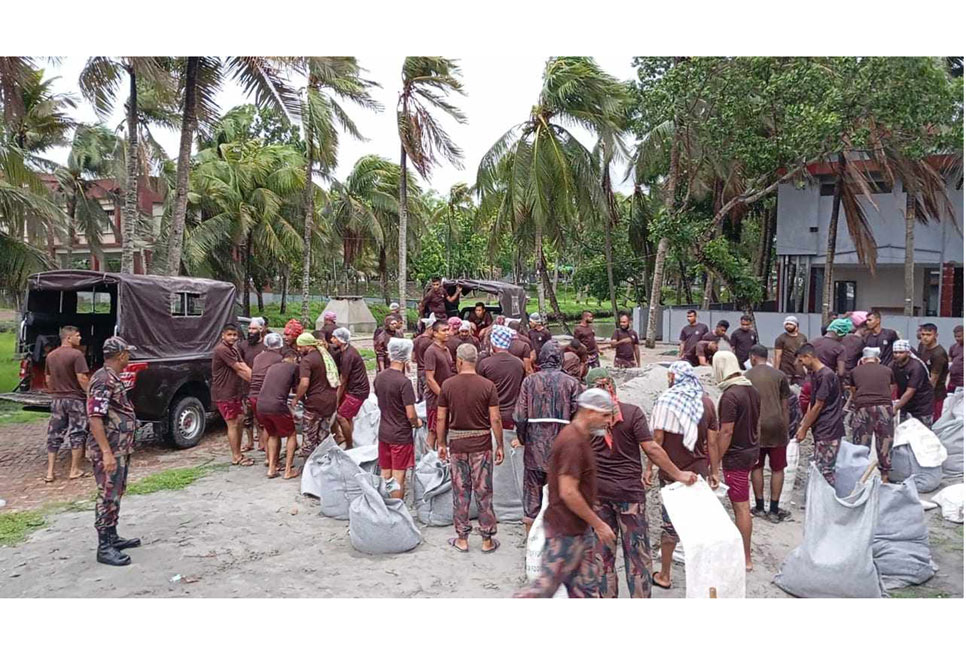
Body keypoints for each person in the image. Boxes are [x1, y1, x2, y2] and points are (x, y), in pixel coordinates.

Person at [586, 368, 697, 598]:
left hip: (598, 496)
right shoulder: (631, 413)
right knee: (637, 554)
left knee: (603, 555)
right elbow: (652, 449)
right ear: (613, 387)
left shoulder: (586, 420)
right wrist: (678, 474)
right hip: (630, 497)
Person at [514, 389, 616, 598]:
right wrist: (599, 524)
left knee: (585, 589)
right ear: (589, 411)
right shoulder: (572, 442)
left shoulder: (580, 438)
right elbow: (568, 492)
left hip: (578, 530)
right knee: (543, 589)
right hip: (564, 531)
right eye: (604, 415)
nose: (609, 420)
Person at [648, 362, 719, 590]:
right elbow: (713, 442)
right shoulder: (707, 403)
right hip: (698, 472)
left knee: (670, 525)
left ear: (675, 377)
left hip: (671, 473)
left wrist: (649, 467)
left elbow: (657, 440)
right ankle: (703, 577)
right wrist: (715, 471)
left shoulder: (666, 401)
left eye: (670, 376)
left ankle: (665, 575)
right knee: (699, 525)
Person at [437, 344, 504, 553]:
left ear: (458, 360)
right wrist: (499, 443)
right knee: (484, 491)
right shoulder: (487, 385)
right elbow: (495, 418)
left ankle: (462, 538)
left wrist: (441, 443)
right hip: (482, 444)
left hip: (457, 443)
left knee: (460, 491)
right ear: (476, 361)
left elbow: (441, 417)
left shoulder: (447, 385)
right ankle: (487, 539)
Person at [513, 342, 582, 536]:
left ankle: (531, 543)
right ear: (560, 359)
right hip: (563, 451)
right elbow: (579, 416)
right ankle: (559, 540)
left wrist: (524, 438)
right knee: (563, 494)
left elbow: (519, 415)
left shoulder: (529, 382)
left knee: (532, 496)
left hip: (534, 449)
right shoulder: (571, 383)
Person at [86, 337, 141, 566]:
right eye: (127, 353)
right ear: (120, 355)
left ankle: (112, 536)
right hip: (109, 449)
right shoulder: (103, 379)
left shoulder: (111, 377)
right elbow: (95, 417)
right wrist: (106, 452)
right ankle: (104, 547)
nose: (129, 356)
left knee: (116, 492)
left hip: (120, 447)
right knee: (107, 495)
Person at [712, 350, 760, 571]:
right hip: (751, 450)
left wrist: (715, 462)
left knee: (741, 508)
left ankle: (745, 558)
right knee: (742, 505)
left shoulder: (730, 396)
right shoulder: (751, 390)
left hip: (737, 457)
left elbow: (726, 432)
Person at [745, 345, 791, 523]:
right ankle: (773, 508)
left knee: (756, 467)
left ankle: (759, 506)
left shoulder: (747, 376)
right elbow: (785, 406)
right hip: (777, 425)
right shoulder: (780, 376)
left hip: (756, 427)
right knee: (777, 468)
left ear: (753, 357)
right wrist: (785, 429)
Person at [374, 338, 422, 499]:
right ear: (406, 356)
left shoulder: (380, 377)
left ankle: (382, 505)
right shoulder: (404, 383)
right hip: (400, 434)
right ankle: (396, 510)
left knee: (385, 472)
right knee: (398, 475)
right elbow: (410, 414)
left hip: (384, 432)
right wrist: (417, 422)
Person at [794, 343, 846, 486]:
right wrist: (804, 423)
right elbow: (813, 402)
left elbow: (818, 405)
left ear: (808, 357)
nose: (801, 364)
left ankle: (829, 502)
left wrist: (804, 429)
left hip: (829, 428)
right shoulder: (817, 375)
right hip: (822, 428)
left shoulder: (826, 375)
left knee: (826, 470)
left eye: (801, 360)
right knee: (820, 467)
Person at [44, 325, 90, 483]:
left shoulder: (51, 356)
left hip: (57, 400)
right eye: (77, 335)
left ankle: (50, 472)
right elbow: (82, 378)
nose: (80, 338)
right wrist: (90, 394)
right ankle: (74, 469)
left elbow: (48, 379)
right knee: (77, 433)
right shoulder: (77, 355)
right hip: (75, 399)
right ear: (68, 338)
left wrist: (54, 392)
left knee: (54, 435)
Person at [849, 347, 896, 479]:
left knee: (861, 443)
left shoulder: (855, 371)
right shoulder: (887, 370)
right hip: (884, 408)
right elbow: (891, 387)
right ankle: (885, 477)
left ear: (863, 360)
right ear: (877, 359)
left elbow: (854, 391)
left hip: (863, 408)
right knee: (885, 441)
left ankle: (860, 477)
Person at [291, 332, 340, 457]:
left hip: (315, 403)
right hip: (330, 401)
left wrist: (296, 398)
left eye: (300, 347)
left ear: (307, 346)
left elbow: (304, 383)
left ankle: (308, 466)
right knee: (323, 435)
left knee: (309, 436)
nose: (298, 349)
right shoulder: (325, 356)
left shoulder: (307, 361)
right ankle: (323, 462)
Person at [211, 323, 254, 466]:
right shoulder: (222, 349)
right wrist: (258, 382)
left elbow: (244, 365)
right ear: (223, 335)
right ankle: (236, 456)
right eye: (229, 335)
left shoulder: (234, 349)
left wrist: (255, 378)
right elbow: (240, 368)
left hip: (235, 392)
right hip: (224, 393)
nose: (232, 337)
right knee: (233, 423)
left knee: (240, 419)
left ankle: (239, 452)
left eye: (234, 335)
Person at [257, 350, 300, 479]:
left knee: (273, 434)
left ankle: (271, 468)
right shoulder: (294, 367)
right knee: (291, 434)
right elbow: (297, 388)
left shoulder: (273, 367)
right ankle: (288, 470)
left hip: (261, 404)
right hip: (277, 405)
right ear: (295, 358)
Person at [477, 325, 526, 435]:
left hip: (490, 415)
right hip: (512, 415)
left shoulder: (485, 364)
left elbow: (479, 392)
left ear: (493, 342)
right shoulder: (519, 363)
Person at [330, 327, 369, 450]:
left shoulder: (348, 356)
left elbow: (343, 380)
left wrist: (337, 399)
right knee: (347, 417)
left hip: (357, 391)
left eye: (334, 337)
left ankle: (349, 444)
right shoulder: (345, 351)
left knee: (341, 416)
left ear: (341, 340)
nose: (332, 339)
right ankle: (349, 438)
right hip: (355, 389)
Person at [248, 332, 286, 460]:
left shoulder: (258, 357)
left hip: (253, 396)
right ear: (280, 346)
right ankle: (273, 460)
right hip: (267, 397)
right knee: (274, 431)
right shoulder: (278, 359)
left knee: (266, 427)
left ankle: (268, 458)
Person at [238, 317, 267, 452]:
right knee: (247, 417)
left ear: (261, 329)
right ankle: (250, 442)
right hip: (245, 387)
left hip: (262, 387)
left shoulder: (266, 346)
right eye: (249, 328)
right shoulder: (243, 345)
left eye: (254, 329)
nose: (251, 331)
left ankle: (262, 441)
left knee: (260, 417)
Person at [423, 320, 455, 442]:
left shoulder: (446, 350)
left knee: (444, 430)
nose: (447, 333)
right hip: (435, 398)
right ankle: (428, 458)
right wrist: (442, 395)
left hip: (446, 395)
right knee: (434, 430)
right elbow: (430, 379)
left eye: (448, 330)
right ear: (435, 333)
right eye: (444, 330)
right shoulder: (431, 351)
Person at [892, 339, 934, 426]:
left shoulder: (916, 367)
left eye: (901, 352)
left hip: (922, 404)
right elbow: (892, 384)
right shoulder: (893, 365)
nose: (897, 355)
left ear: (907, 353)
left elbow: (910, 391)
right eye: (895, 352)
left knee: (923, 432)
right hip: (906, 403)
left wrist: (896, 407)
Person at [917, 323, 949, 420]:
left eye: (928, 335)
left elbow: (933, 379)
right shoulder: (922, 346)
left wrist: (925, 397)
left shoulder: (938, 353)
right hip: (922, 390)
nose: (925, 338)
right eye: (923, 334)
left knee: (933, 421)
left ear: (936, 335)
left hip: (935, 394)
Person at [774, 316, 806, 385]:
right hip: (786, 370)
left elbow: (805, 353)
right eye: (787, 324)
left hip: (799, 371)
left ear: (796, 325)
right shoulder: (780, 338)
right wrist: (776, 371)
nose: (788, 326)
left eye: (791, 324)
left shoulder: (802, 338)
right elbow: (778, 356)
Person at [413, 319, 435, 403]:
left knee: (421, 398)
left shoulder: (417, 340)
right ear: (430, 329)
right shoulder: (430, 342)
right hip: (427, 372)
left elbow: (413, 358)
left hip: (419, 371)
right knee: (428, 398)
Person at [949, 325, 964, 393]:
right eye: (955, 336)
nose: (957, 338)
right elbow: (950, 361)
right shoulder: (953, 347)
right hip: (953, 381)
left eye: (959, 336)